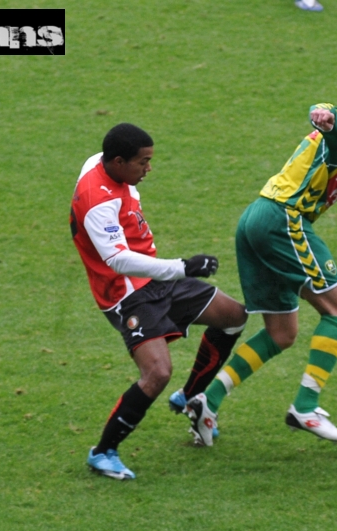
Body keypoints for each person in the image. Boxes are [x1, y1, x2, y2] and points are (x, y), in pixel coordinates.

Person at [184, 81, 337, 446]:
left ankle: (208, 400)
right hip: (284, 221)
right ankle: (306, 406)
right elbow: (331, 116)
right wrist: (323, 116)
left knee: (281, 333)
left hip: (256, 219)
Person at [70, 123, 247, 479]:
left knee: (233, 316)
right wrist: (184, 267)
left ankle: (191, 397)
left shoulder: (103, 165)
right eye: (142, 162)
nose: (149, 169)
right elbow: (117, 260)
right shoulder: (98, 203)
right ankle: (103, 452)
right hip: (127, 295)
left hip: (155, 277)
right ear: (118, 162)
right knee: (156, 373)